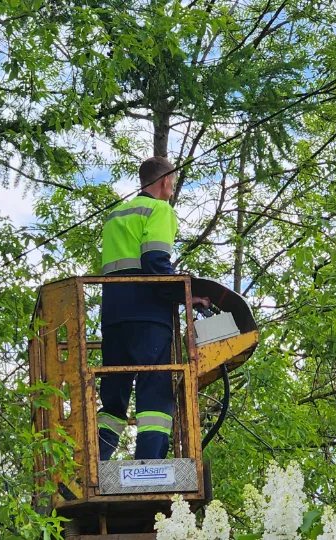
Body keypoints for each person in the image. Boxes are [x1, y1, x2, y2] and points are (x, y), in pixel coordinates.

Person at [97, 156, 210, 461]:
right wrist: (187, 295)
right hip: (148, 314)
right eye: (172, 183)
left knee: (113, 399)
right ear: (164, 181)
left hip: (114, 315)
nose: (172, 189)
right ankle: (150, 469)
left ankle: (95, 465)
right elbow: (155, 262)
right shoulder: (159, 209)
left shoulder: (115, 215)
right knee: (155, 392)